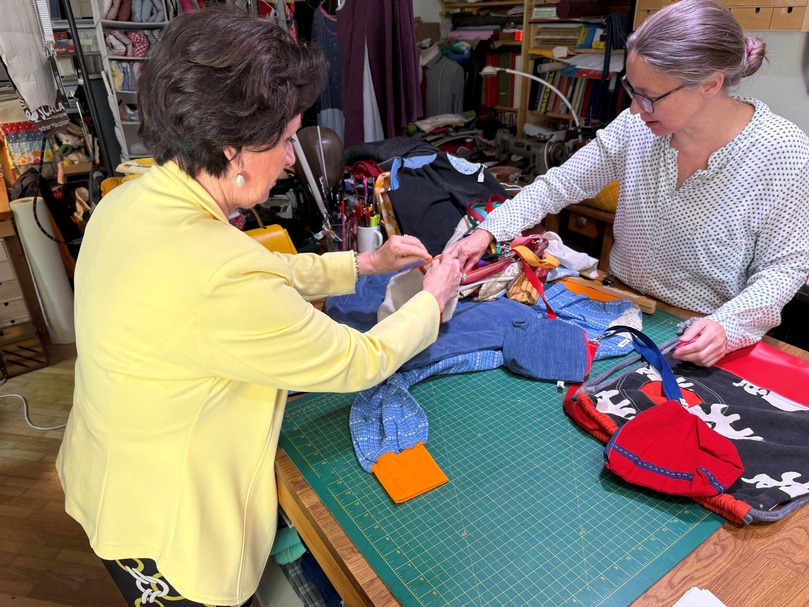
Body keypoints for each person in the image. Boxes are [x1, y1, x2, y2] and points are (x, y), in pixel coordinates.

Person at [55, 7, 460, 607]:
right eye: (289, 137)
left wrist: (361, 265)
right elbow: (360, 359)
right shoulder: (219, 272)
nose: (295, 158)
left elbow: (250, 266)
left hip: (109, 480)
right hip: (169, 540)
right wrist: (431, 301)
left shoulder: (132, 200)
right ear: (234, 148)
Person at [448, 0, 809, 367]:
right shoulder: (636, 127)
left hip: (700, 332)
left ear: (710, 85)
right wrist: (489, 231)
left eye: (650, 97)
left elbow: (785, 267)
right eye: (632, 91)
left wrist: (727, 326)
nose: (636, 109)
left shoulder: (779, 151)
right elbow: (559, 185)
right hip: (619, 303)